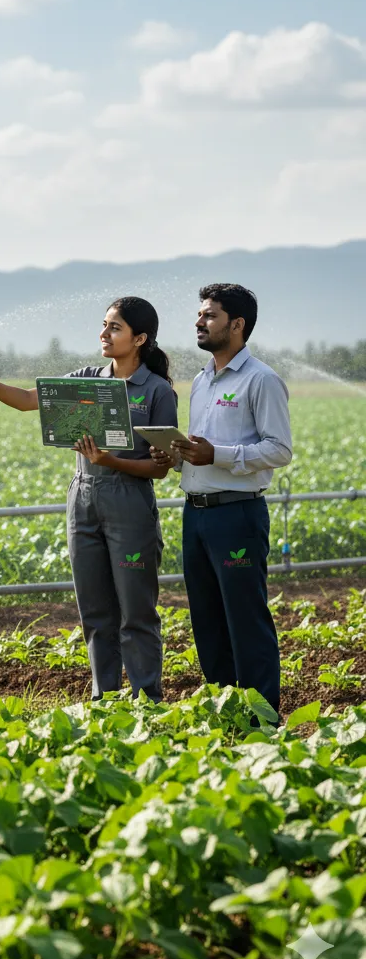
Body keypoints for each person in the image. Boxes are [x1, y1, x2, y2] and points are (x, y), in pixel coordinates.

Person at [0, 296, 178, 703]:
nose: (104, 334)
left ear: (140, 338)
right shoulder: (86, 379)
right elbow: (27, 400)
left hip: (128, 501)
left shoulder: (157, 391)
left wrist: (110, 460)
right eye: (104, 325)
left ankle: (148, 701)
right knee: (94, 612)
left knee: (136, 613)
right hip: (83, 497)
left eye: (115, 328)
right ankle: (103, 700)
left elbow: (160, 467)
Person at [150, 283, 292, 719]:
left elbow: (279, 449)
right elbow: (201, 451)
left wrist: (219, 455)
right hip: (196, 514)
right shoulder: (201, 380)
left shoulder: (261, 379)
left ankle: (262, 717)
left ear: (237, 324)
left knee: (245, 619)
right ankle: (224, 708)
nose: (199, 321)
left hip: (237, 514)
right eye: (199, 315)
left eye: (209, 315)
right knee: (207, 620)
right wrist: (174, 457)